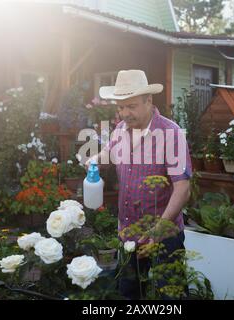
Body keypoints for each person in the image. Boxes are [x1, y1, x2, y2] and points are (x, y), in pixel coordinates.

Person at [86, 70, 192, 299]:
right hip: (128, 234)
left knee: (170, 297)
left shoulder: (170, 133)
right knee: (129, 294)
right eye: (120, 107)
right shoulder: (120, 130)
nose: (125, 113)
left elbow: (183, 189)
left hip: (165, 235)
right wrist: (95, 160)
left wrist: (158, 229)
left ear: (149, 101)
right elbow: (108, 152)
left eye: (131, 106)